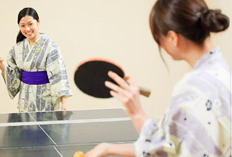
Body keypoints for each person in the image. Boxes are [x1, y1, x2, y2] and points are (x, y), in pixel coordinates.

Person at [86, 0, 231, 156]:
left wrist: (136, 112)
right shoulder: (221, 71)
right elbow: (171, 144)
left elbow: (165, 152)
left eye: (158, 39)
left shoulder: (193, 87)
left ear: (172, 37)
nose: (160, 46)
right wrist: (108, 148)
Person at [0, 7, 72, 112]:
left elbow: (59, 74)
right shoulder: (17, 48)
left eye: (30, 24)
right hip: (26, 99)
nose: (27, 29)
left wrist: (64, 102)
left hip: (46, 99)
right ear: (19, 26)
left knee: (47, 128)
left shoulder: (51, 46)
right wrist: (1, 66)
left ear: (38, 22)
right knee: (26, 127)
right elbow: (15, 76)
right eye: (23, 25)